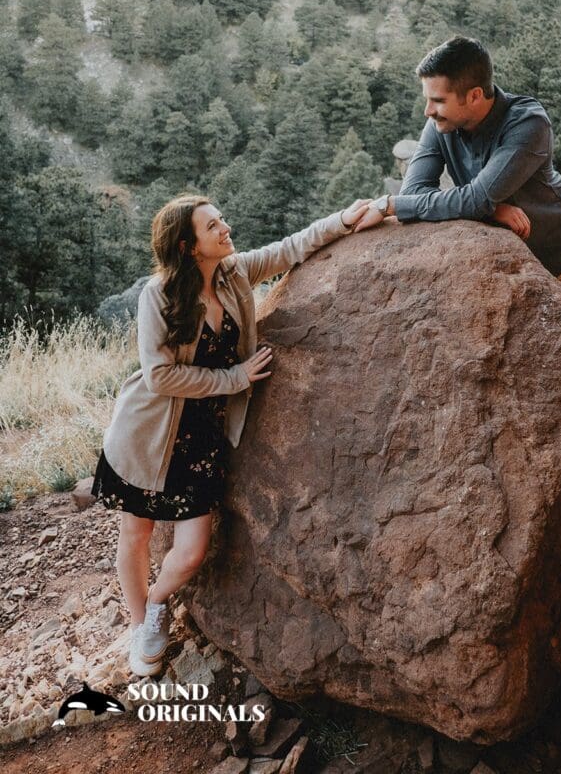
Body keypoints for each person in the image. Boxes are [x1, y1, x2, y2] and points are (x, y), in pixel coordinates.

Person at [92, 194, 371, 676]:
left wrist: (344, 219)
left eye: (221, 219)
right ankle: (141, 629)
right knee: (135, 533)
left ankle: (157, 601)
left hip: (202, 438)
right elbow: (159, 375)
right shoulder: (157, 296)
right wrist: (234, 378)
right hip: (147, 431)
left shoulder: (234, 273)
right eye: (212, 226)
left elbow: (291, 248)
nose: (225, 228)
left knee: (193, 549)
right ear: (188, 245)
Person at [354, 35, 561, 285]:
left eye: (439, 101)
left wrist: (388, 205)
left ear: (474, 96)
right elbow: (414, 191)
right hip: (494, 244)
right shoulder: (441, 123)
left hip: (550, 241)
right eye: (427, 99)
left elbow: (473, 199)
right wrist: (490, 209)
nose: (428, 111)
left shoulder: (529, 124)